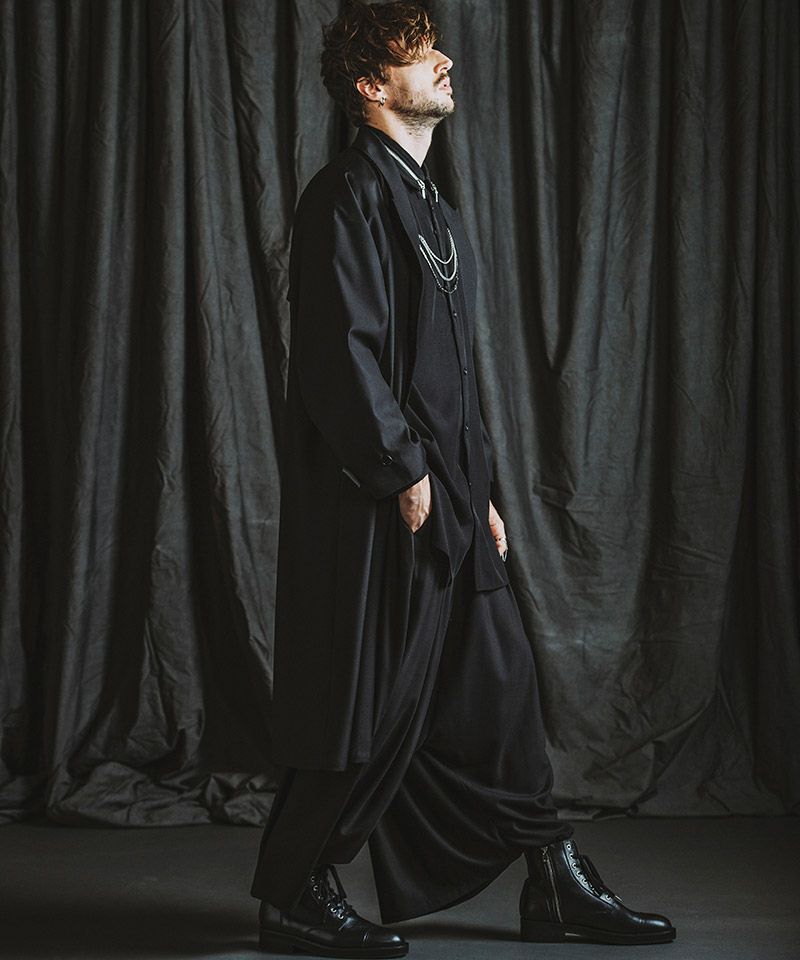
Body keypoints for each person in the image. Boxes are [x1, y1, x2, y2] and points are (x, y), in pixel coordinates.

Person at [251, 2, 676, 956]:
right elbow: (337, 355)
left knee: (502, 689)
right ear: (372, 86)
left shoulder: (431, 207)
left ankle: (553, 878)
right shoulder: (346, 194)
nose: (444, 61)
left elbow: (447, 374)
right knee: (369, 698)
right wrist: (402, 473)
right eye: (418, 54)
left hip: (451, 494)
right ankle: (292, 893)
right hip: (386, 502)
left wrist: (476, 487)